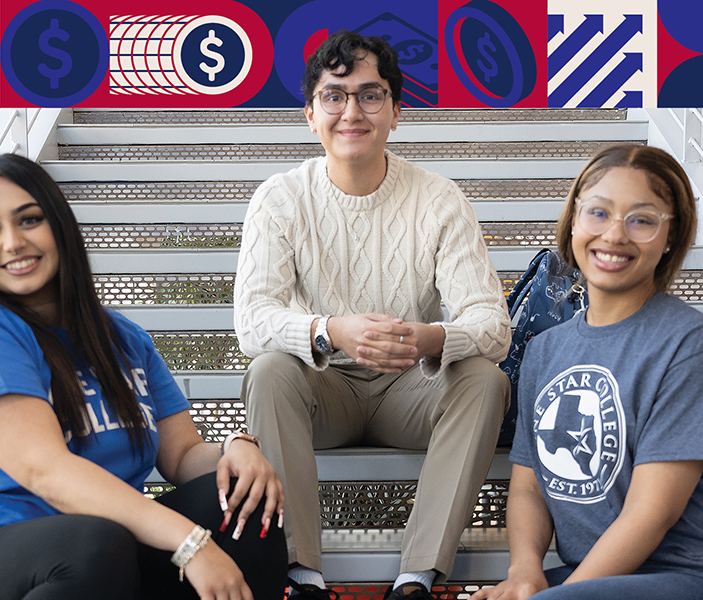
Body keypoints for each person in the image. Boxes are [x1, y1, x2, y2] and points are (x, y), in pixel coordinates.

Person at [0, 154, 288, 600]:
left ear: (60, 226)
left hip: (95, 562)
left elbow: (182, 455)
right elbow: (46, 471)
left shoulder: (120, 338)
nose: (12, 242)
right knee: (91, 541)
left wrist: (237, 451)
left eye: (29, 220)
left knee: (242, 499)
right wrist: (190, 544)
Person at [234, 30, 512, 600]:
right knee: (268, 369)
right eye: (334, 96)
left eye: (370, 95)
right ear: (310, 114)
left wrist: (430, 338)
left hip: (409, 391)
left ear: (395, 112)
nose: (351, 111)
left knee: (485, 378)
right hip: (322, 390)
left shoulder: (440, 198)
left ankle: (416, 578)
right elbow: (252, 320)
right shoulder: (280, 198)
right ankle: (299, 576)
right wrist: (330, 330)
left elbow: (492, 323)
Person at [472, 144, 703, 600]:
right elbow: (527, 487)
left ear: (670, 237)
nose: (615, 234)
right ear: (574, 221)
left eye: (642, 219)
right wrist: (525, 572)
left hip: (701, 576)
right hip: (596, 576)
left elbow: (651, 513)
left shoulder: (691, 344)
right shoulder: (544, 351)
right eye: (598, 213)